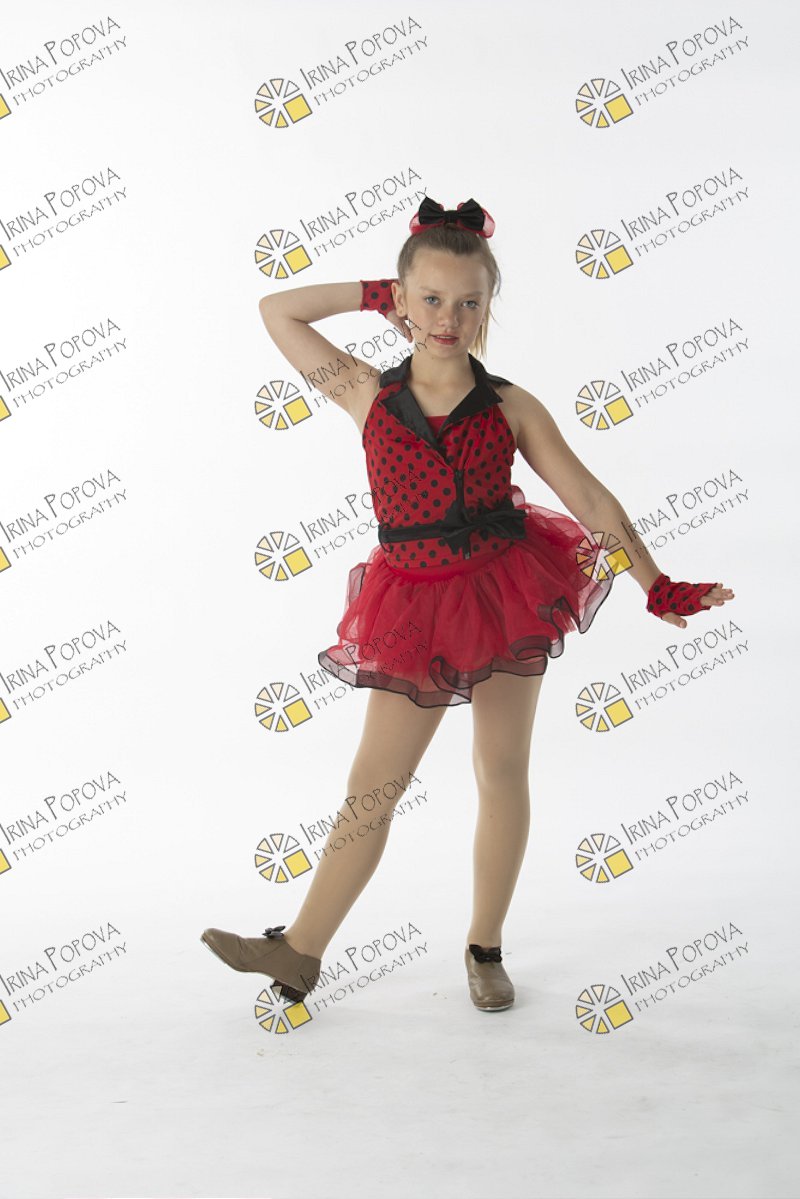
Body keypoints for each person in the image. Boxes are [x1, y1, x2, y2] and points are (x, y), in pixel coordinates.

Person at [201, 197, 735, 1013]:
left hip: (507, 591)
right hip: (413, 605)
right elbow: (279, 310)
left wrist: (653, 582)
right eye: (431, 299)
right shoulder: (363, 392)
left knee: (501, 767)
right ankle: (300, 950)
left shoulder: (512, 405)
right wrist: (374, 292)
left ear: (490, 307)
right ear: (402, 301)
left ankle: (485, 946)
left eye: (469, 302)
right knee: (372, 789)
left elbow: (590, 498)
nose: (449, 319)